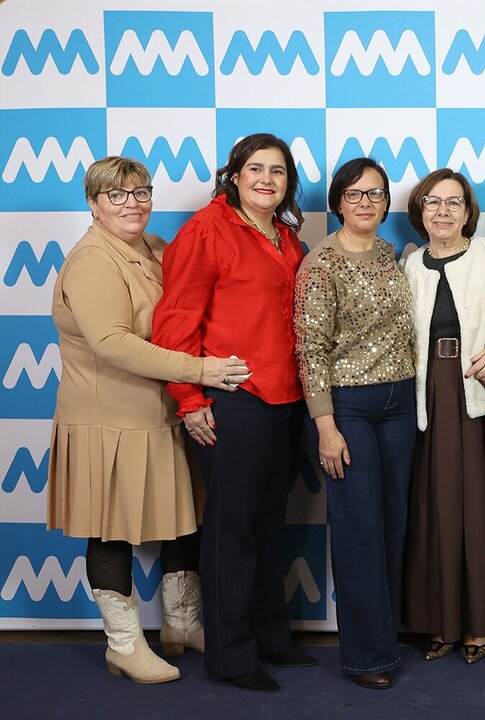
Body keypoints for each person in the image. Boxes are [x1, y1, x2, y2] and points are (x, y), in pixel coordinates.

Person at [47, 156, 249, 684]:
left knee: (185, 515)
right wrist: (200, 370)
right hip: (108, 420)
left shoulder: (156, 247)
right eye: (116, 195)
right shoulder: (93, 260)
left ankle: (181, 623)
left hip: (162, 412)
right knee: (109, 531)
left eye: (140, 192)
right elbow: (113, 343)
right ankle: (124, 645)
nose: (131, 204)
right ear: (93, 204)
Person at [152, 134, 314, 693]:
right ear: (235, 176)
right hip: (234, 399)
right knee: (232, 529)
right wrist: (190, 398)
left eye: (278, 171)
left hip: (284, 399)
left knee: (269, 523)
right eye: (256, 169)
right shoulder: (206, 230)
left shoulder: (286, 237)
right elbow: (176, 320)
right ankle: (231, 654)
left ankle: (270, 636)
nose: (267, 179)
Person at [293, 157, 416, 690]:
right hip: (349, 407)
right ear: (338, 202)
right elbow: (310, 350)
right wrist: (325, 425)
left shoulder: (390, 254)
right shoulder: (321, 264)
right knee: (359, 526)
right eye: (355, 193)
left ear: (387, 203)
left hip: (401, 402)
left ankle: (386, 634)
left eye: (376, 193)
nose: (366, 202)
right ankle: (367, 657)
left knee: (393, 520)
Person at [400, 169, 485, 664]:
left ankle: (476, 623)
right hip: (425, 400)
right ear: (420, 210)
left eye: (454, 202)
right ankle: (441, 621)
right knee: (434, 509)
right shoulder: (408, 264)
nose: (443, 211)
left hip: (481, 394)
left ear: (469, 211)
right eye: (433, 202)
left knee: (480, 508)